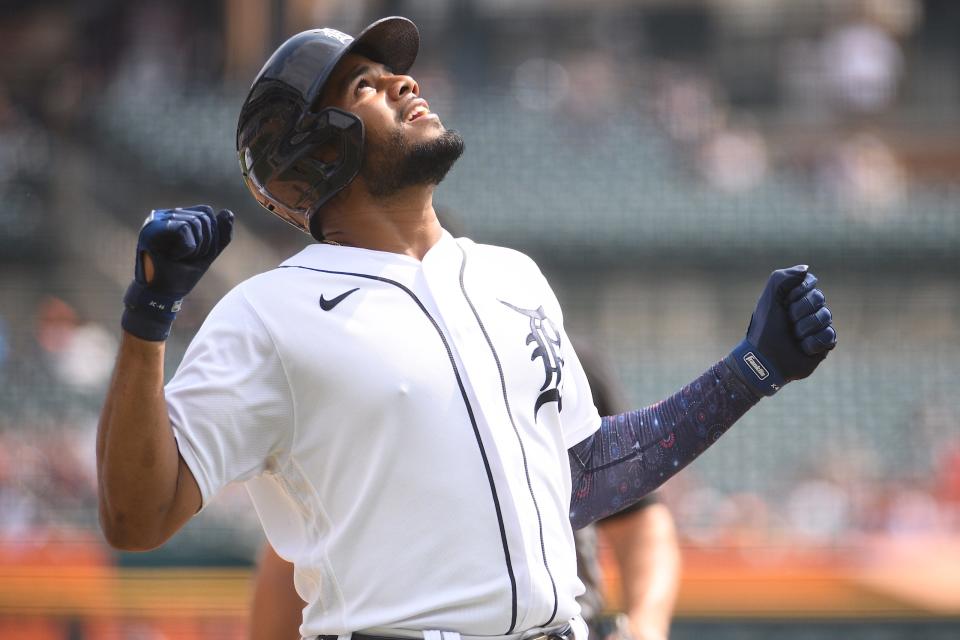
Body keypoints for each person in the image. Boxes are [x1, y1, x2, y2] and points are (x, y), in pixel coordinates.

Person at [96, 16, 836, 640]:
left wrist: (749, 372)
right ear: (319, 149)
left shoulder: (511, 275)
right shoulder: (267, 315)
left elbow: (577, 478)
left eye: (396, 76)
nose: (405, 83)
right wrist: (147, 320)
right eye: (368, 87)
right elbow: (137, 517)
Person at [248, 342, 681, 640]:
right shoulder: (362, 378)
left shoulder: (552, 356)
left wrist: (644, 624)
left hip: (557, 625)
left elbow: (639, 518)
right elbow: (299, 546)